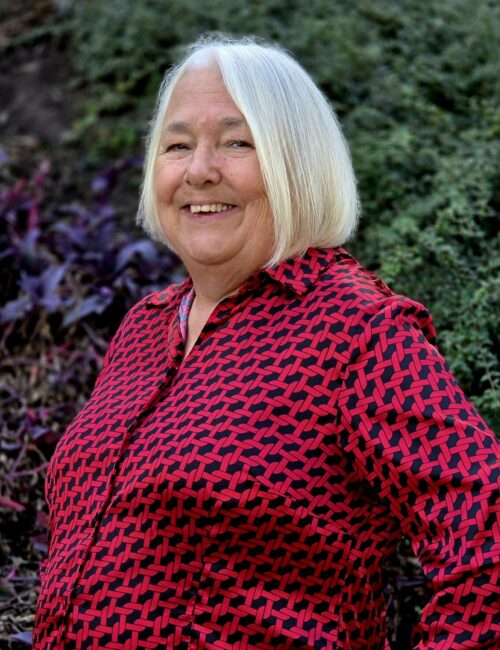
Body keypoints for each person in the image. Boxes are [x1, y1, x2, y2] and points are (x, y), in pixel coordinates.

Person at [33, 36, 499, 649]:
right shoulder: (144, 328)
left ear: (296, 164)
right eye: (178, 145)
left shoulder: (359, 331)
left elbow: (489, 546)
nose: (199, 170)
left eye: (237, 143)